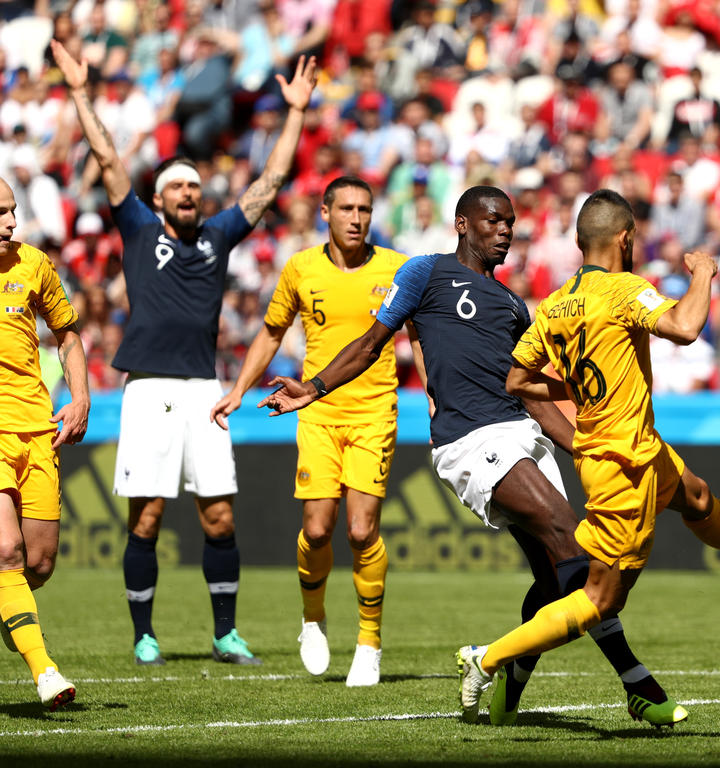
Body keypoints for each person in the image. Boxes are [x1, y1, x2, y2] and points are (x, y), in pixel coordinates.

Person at [258, 186, 686, 727]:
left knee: (558, 577)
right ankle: (635, 682)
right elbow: (371, 344)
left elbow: (532, 392)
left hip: (521, 435)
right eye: (493, 220)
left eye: (510, 222)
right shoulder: (425, 273)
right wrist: (314, 387)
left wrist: (583, 446)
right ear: (463, 224)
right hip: (471, 441)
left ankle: (510, 676)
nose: (505, 230)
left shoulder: (513, 304)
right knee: (571, 541)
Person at [455, 189, 720, 723]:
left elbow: (517, 379)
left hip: (636, 450)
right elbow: (686, 327)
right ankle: (486, 659)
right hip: (620, 464)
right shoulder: (627, 290)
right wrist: (702, 273)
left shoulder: (555, 304)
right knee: (601, 599)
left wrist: (580, 391)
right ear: (625, 239)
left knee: (696, 496)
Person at [50, 40, 317, 665]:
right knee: (145, 519)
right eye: (178, 187)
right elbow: (108, 157)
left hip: (203, 389)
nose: (190, 194)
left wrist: (297, 112)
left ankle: (224, 632)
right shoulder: (140, 229)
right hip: (146, 387)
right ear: (161, 197)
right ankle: (144, 632)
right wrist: (83, 92)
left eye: (196, 187)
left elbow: (270, 181)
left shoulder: (219, 236)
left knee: (219, 516)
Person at [211, 176, 421, 685]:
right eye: (346, 208)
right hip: (318, 412)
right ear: (325, 212)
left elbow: (420, 338)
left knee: (360, 529)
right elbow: (271, 331)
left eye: (364, 209)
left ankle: (369, 642)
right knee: (318, 530)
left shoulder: (397, 269)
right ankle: (313, 619)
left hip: (375, 412)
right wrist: (239, 388)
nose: (356, 218)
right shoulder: (301, 267)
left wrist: (436, 400)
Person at [0, 176, 89, 709]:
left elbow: (69, 334)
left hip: (36, 428)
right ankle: (45, 672)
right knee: (5, 551)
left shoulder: (33, 264)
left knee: (39, 562)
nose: (10, 222)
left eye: (12, 211)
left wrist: (79, 397)